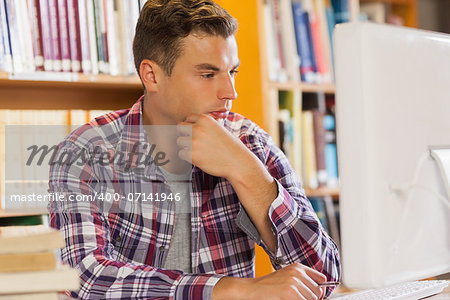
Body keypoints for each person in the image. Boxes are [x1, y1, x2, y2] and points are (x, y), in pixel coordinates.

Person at [48, 0, 341, 299]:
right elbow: (85, 278)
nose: (230, 92)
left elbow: (323, 279)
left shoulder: (250, 143)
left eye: (233, 72)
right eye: (207, 74)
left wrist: (245, 171)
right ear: (152, 76)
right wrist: (229, 290)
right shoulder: (84, 153)